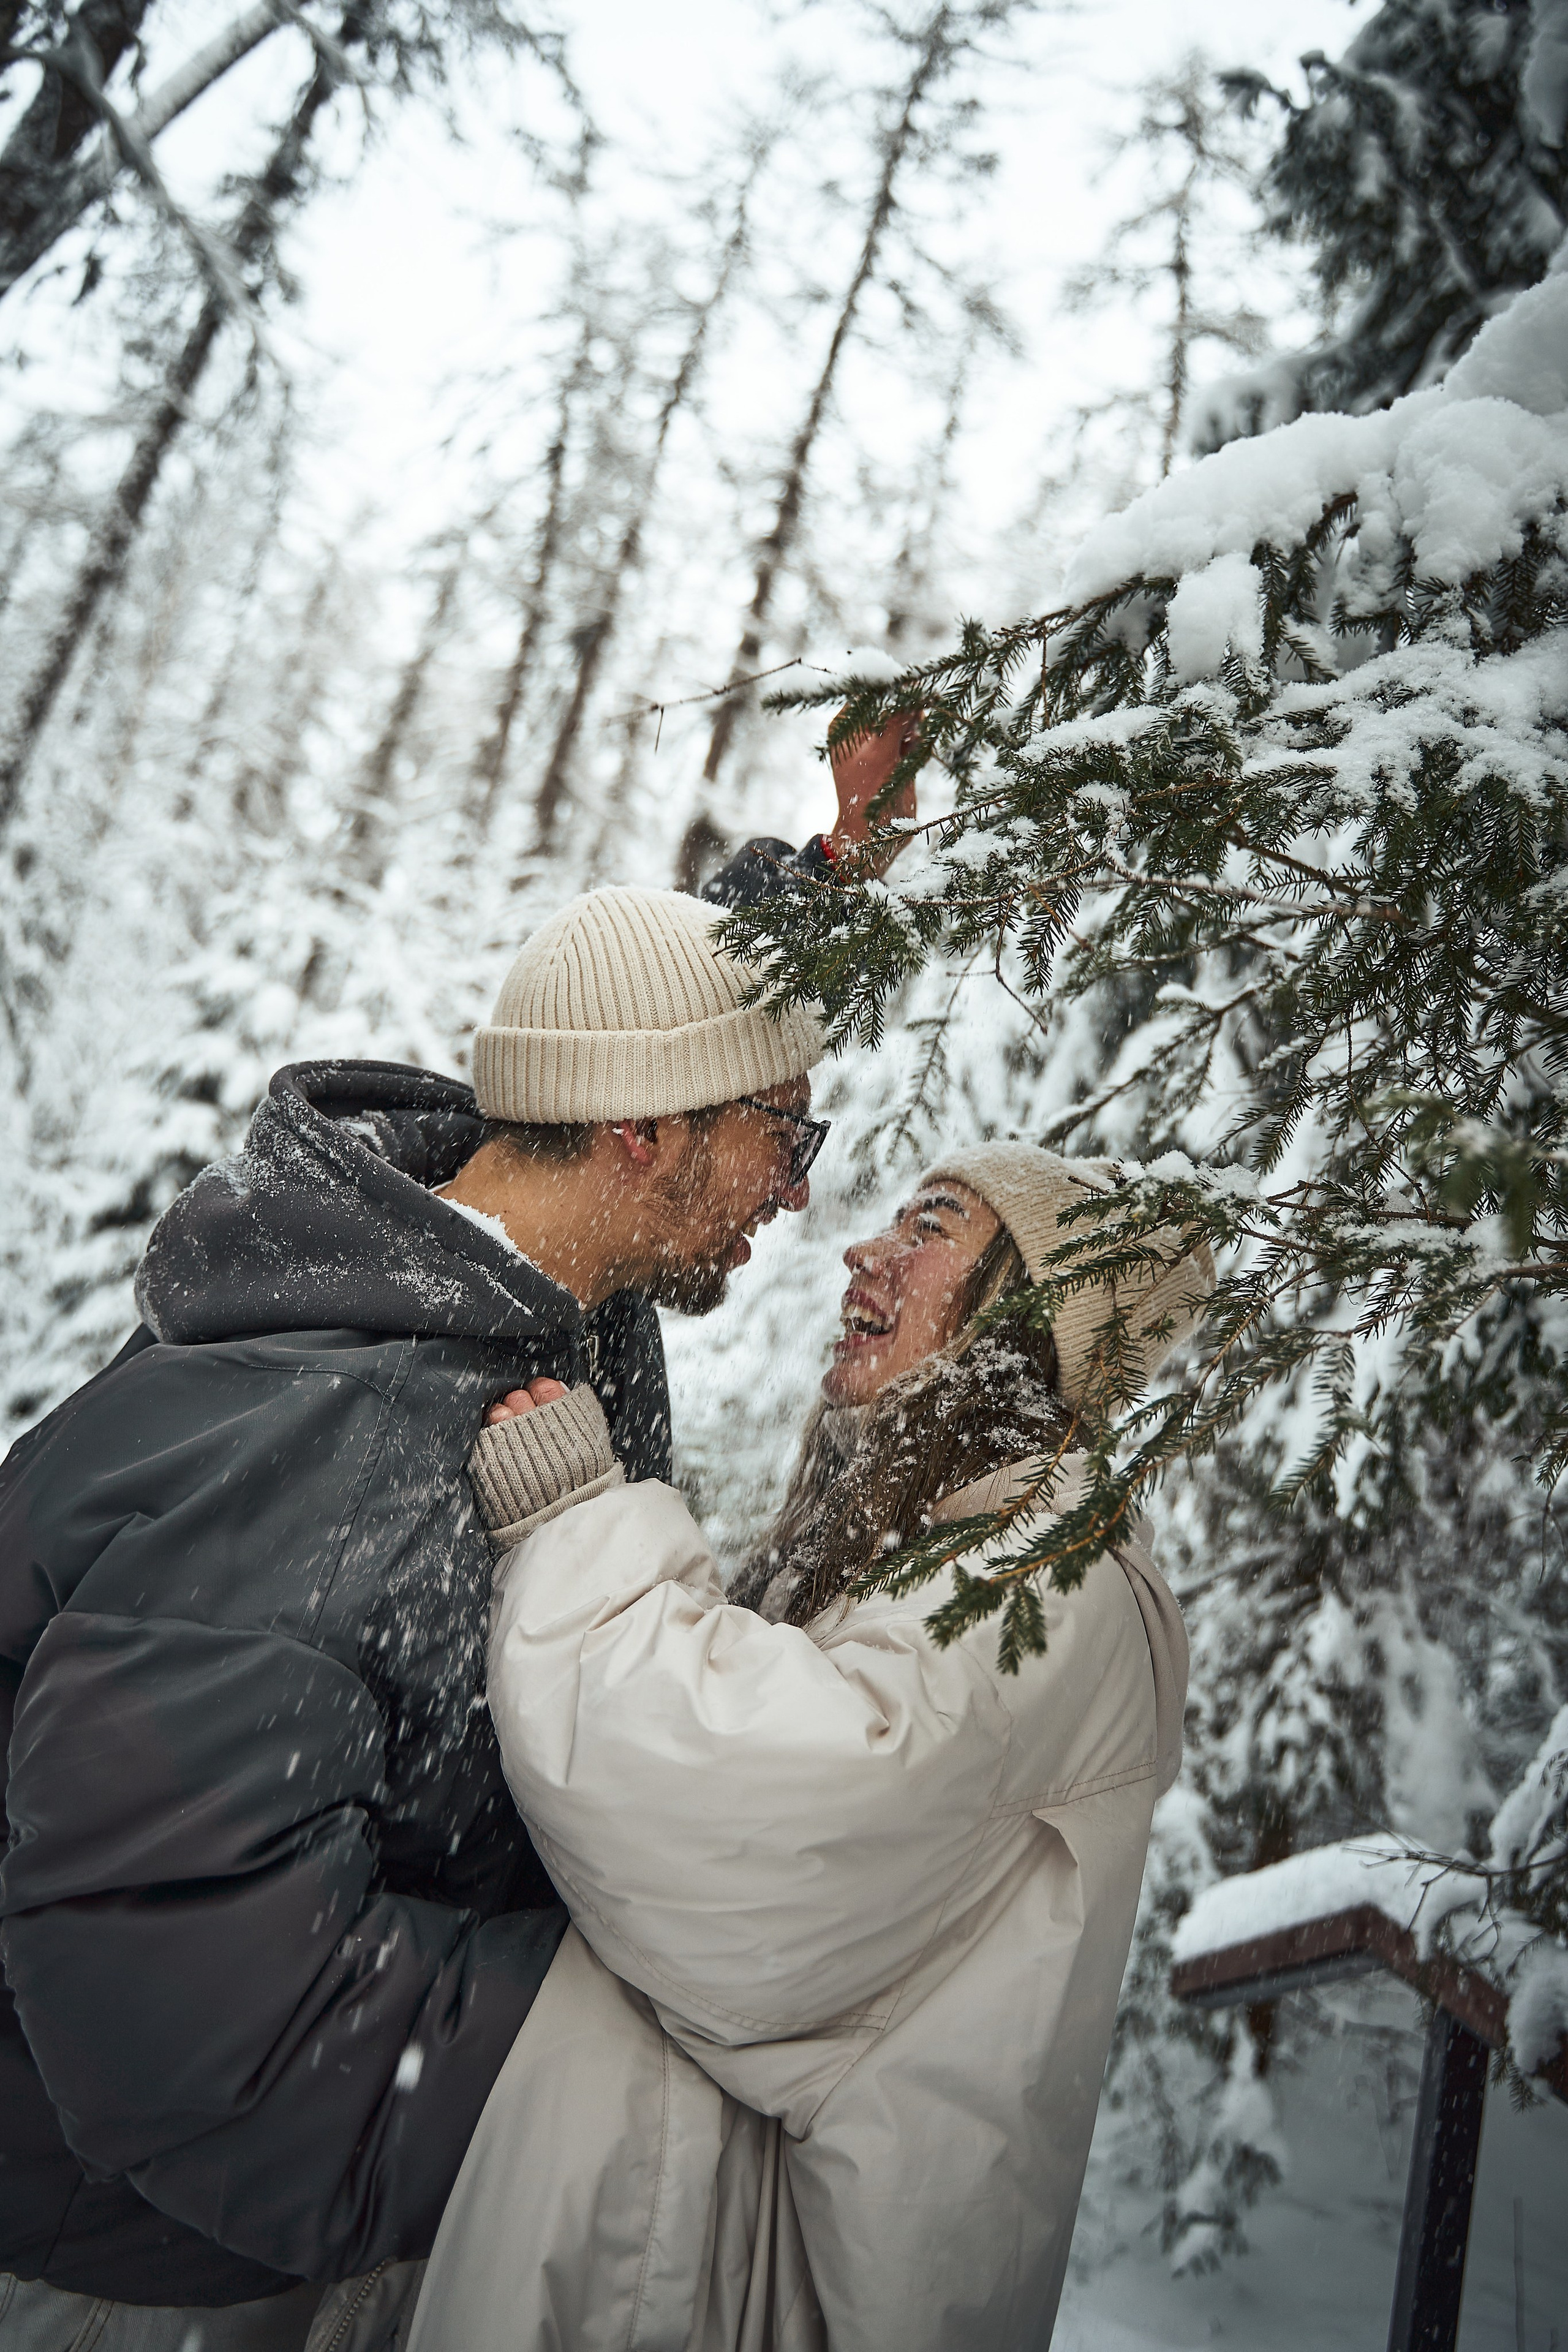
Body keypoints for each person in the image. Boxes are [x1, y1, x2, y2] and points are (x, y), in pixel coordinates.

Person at [0, 714, 916, 2352]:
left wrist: (829, 876)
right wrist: (664, 2033)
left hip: (267, 2180)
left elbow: (663, 1001)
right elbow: (207, 2039)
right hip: (136, 2231)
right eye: (784, 1132)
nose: (796, 1191)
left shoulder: (506, 1260)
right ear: (645, 1135)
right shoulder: (341, 1466)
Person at [410, 1145, 1213, 2351]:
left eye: (931, 1227)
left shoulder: (1054, 1587)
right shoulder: (945, 1552)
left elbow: (759, 1832)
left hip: (757, 2286)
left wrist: (578, 1521)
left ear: (1039, 1312)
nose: (862, 1252)